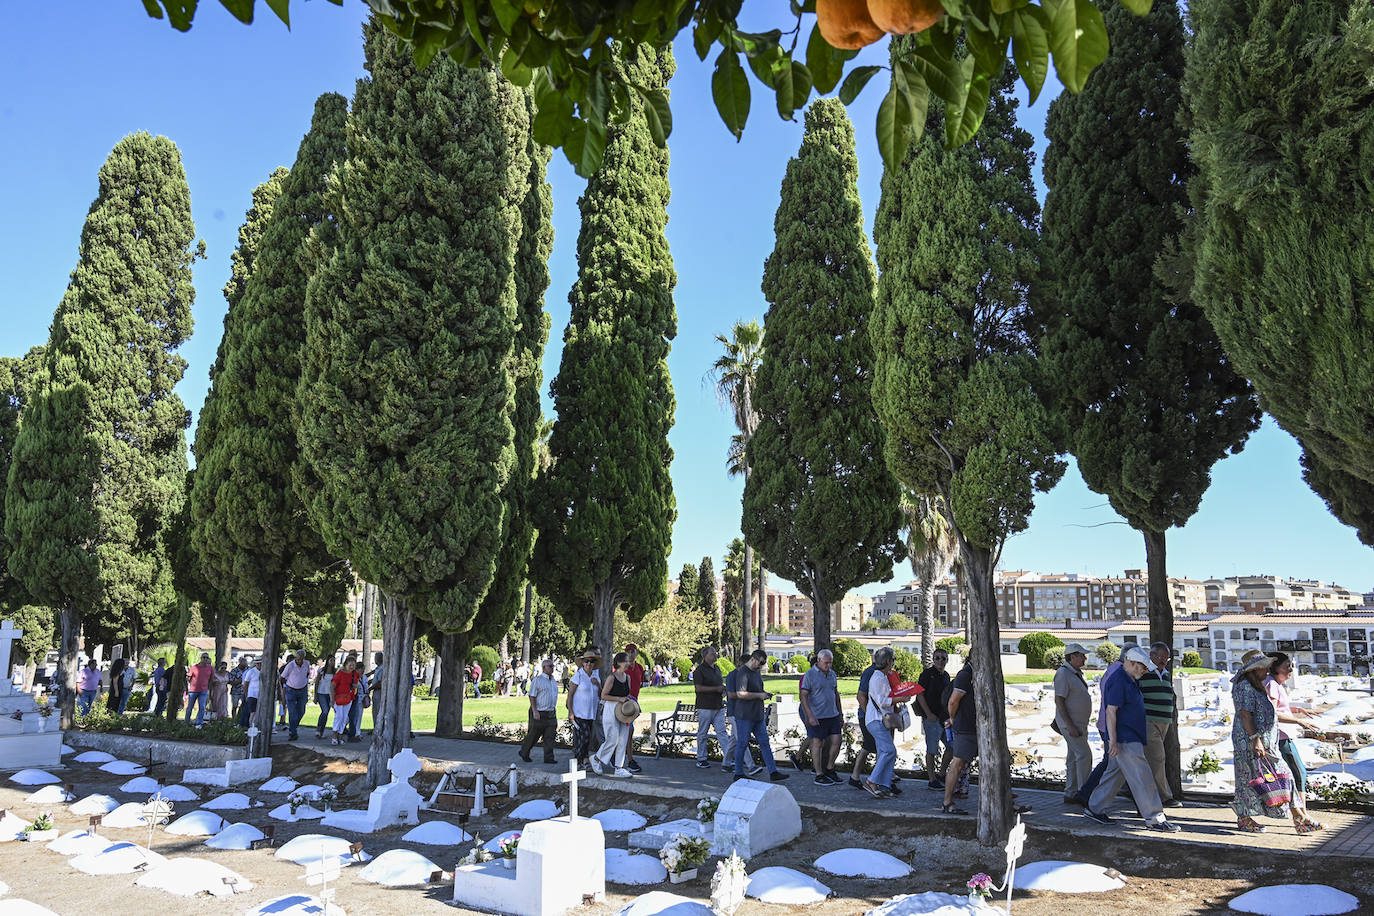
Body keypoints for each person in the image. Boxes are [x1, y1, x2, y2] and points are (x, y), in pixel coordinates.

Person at [1084, 646, 1179, 831]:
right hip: (1125, 738)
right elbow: (1111, 711)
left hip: (1128, 736)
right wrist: (1112, 740)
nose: (1145, 672)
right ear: (1133, 663)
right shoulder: (1120, 680)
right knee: (1142, 776)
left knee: (1114, 774)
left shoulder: (1128, 678)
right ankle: (1154, 818)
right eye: (1143, 667)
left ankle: (1094, 808)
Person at [1230, 649, 1298, 833]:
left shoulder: (1256, 685)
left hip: (1264, 742)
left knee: (1279, 775)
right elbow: (1245, 715)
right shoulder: (1244, 686)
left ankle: (1300, 817)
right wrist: (1255, 740)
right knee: (1247, 778)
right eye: (1265, 667)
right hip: (1250, 741)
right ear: (1255, 669)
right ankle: (1244, 818)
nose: (1268, 671)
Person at [1264, 652, 1324, 833]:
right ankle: (1302, 817)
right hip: (1281, 737)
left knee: (1299, 773)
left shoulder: (1274, 684)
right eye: (1286, 666)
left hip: (1284, 736)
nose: (1291, 670)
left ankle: (1302, 815)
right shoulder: (1272, 685)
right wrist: (1298, 721)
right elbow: (1272, 712)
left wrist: (1298, 710)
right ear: (1275, 668)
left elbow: (1279, 707)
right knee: (1298, 774)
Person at [728, 649, 789, 784]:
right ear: (753, 659)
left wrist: (764, 694)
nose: (761, 666)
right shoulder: (743, 672)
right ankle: (738, 773)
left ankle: (773, 772)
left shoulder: (756, 672)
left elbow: (756, 690)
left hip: (757, 715)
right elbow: (740, 694)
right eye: (760, 663)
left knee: (765, 743)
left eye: (763, 664)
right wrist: (759, 696)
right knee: (742, 743)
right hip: (744, 715)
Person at [1140, 641, 1181, 807]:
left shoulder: (1165, 673)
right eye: (1161, 656)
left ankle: (1139, 793)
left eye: (1167, 657)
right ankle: (1165, 797)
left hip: (1164, 722)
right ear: (1152, 655)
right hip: (1148, 720)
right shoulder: (1144, 672)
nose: (1164, 660)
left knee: (1153, 758)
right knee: (1158, 757)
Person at [1053, 643, 1093, 804]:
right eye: (1081, 655)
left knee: (1074, 757)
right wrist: (1069, 725)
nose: (1084, 658)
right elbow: (1059, 700)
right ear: (1072, 656)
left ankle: (1071, 792)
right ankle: (1084, 792)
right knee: (1084, 755)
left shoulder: (1074, 673)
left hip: (1078, 724)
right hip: (1071, 725)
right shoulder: (1063, 674)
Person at [864, 647, 906, 799]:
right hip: (876, 720)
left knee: (885, 752)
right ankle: (872, 781)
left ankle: (884, 786)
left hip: (876, 719)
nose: (893, 663)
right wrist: (900, 699)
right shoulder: (878, 677)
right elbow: (882, 702)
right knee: (889, 751)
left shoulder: (880, 676)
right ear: (888, 661)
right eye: (893, 660)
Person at [800, 648, 844, 785]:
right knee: (817, 742)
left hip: (832, 714)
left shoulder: (832, 674)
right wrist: (809, 715)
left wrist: (840, 712)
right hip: (817, 715)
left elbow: (836, 694)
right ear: (819, 661)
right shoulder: (810, 675)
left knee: (837, 740)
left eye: (830, 663)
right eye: (826, 663)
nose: (828, 665)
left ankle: (830, 768)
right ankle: (819, 773)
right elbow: (803, 696)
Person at [941, 655, 978, 814]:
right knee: (957, 764)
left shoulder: (975, 674)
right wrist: (953, 718)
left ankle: (1006, 801)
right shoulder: (965, 675)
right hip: (965, 727)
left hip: (974, 727)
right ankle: (947, 802)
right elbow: (953, 701)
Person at [591, 652, 636, 777]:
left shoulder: (627, 678)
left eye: (628, 661)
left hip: (623, 709)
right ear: (619, 662)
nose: (628, 663)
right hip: (611, 707)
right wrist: (618, 699)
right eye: (626, 661)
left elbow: (628, 694)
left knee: (623, 738)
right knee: (612, 738)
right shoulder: (612, 677)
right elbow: (603, 695)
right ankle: (596, 759)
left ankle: (619, 767)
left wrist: (631, 705)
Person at [915, 648, 952, 790]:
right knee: (932, 749)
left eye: (943, 658)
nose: (940, 660)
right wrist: (928, 714)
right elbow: (919, 695)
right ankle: (931, 780)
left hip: (944, 719)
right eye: (937, 658)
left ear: (947, 660)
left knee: (952, 746)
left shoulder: (946, 676)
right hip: (931, 719)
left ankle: (941, 774)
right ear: (933, 659)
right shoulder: (926, 674)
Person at [692, 646, 733, 769]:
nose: (715, 655)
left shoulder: (717, 668)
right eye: (712, 654)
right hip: (705, 706)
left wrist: (722, 688)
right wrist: (716, 689)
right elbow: (698, 688)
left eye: (715, 653)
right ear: (705, 656)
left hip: (718, 705)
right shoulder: (699, 671)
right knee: (703, 733)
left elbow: (718, 684)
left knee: (722, 732)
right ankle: (701, 758)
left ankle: (728, 759)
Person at [848, 653, 881, 789]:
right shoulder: (870, 673)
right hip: (867, 716)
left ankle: (880, 776)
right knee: (868, 745)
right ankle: (855, 776)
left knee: (880, 747)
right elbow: (860, 696)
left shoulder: (882, 673)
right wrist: (869, 715)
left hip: (876, 716)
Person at [520, 658, 560, 764]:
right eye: (550, 666)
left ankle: (549, 758)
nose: (552, 668)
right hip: (539, 712)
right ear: (543, 668)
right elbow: (532, 696)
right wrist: (535, 711)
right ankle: (524, 752)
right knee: (533, 735)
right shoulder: (537, 680)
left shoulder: (553, 681)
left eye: (553, 666)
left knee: (550, 736)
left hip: (551, 712)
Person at [566, 650, 601, 767]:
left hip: (591, 713)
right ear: (582, 663)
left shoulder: (596, 675)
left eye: (592, 661)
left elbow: (600, 694)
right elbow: (570, 695)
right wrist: (571, 712)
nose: (589, 664)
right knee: (584, 736)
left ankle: (583, 760)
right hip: (579, 713)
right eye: (586, 661)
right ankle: (578, 760)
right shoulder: (578, 676)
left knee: (586, 737)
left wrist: (598, 685)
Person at [622, 643, 646, 773]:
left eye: (633, 651)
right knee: (628, 731)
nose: (630, 654)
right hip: (624, 703)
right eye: (628, 652)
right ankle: (630, 760)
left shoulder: (640, 668)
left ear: (636, 653)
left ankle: (625, 758)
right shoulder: (622, 668)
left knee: (628, 732)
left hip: (634, 703)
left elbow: (639, 684)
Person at [279, 649, 312, 741]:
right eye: (298, 659)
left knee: (301, 711)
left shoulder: (306, 664)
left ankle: (293, 726)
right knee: (292, 712)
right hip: (291, 690)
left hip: (302, 689)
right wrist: (288, 683)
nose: (300, 661)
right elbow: (281, 677)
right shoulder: (290, 665)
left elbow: (307, 673)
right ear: (296, 658)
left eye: (301, 659)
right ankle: (293, 732)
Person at [330, 656, 362, 746]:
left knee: (344, 718)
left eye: (353, 665)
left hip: (349, 698)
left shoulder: (355, 674)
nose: (351, 666)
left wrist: (355, 686)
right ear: (345, 665)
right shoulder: (340, 673)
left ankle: (340, 736)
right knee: (339, 717)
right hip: (339, 698)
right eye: (350, 665)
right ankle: (334, 736)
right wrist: (332, 699)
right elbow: (332, 686)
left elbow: (356, 684)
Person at [186, 653, 214, 726]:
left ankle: (199, 723)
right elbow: (188, 677)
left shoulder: (210, 668)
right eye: (204, 657)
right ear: (201, 658)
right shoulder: (194, 667)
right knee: (190, 707)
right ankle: (186, 722)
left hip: (203, 690)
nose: (205, 659)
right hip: (193, 690)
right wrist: (190, 684)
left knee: (202, 707)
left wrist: (209, 688)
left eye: (207, 658)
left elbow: (211, 679)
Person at [315, 656, 336, 739]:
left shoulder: (335, 672)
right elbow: (317, 682)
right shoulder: (321, 671)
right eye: (331, 660)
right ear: (327, 661)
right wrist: (315, 696)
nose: (332, 662)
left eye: (334, 660)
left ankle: (321, 731)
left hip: (330, 694)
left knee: (326, 713)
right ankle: (318, 728)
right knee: (325, 711)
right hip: (321, 693)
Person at [238, 656, 261, 728]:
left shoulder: (265, 672)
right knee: (252, 712)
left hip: (261, 695)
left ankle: (257, 727)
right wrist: (247, 695)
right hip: (252, 695)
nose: (259, 665)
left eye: (261, 663)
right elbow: (245, 684)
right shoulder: (250, 672)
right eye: (258, 663)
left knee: (259, 713)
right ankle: (251, 727)